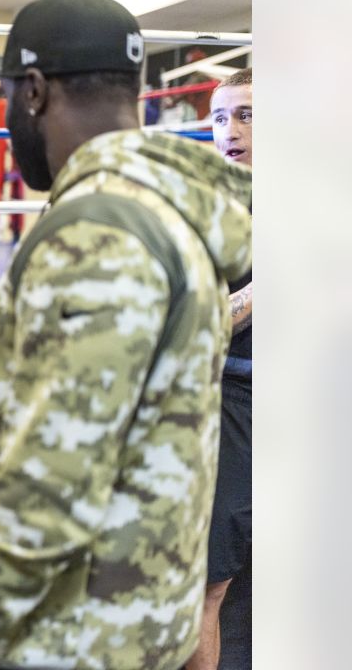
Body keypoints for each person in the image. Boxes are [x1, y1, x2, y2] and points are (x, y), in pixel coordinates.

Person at [0, 0, 252, 670]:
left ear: (33, 91)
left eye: (4, 94)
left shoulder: (96, 234)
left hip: (71, 638)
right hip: (137, 620)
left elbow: (53, 478)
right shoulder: (172, 213)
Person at [187, 66, 253, 670]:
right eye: (218, 117)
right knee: (205, 587)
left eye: (247, 114)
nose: (229, 130)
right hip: (232, 401)